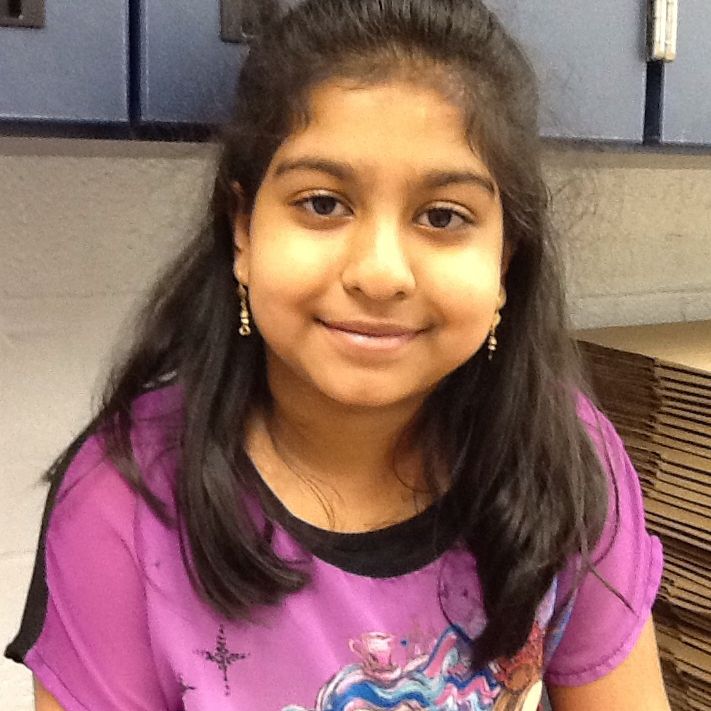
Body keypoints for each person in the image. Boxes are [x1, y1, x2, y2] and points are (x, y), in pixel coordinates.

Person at [6, 1, 670, 709]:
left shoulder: (566, 458)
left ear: (504, 259)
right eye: (323, 204)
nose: (379, 273)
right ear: (242, 230)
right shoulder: (126, 501)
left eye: (442, 216)